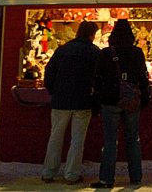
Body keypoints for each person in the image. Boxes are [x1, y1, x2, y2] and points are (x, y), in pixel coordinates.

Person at [91, 20, 149, 189]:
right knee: (133, 138)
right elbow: (143, 77)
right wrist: (144, 96)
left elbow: (98, 78)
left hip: (110, 100)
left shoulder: (105, 53)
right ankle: (136, 176)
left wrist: (97, 98)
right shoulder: (137, 53)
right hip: (131, 100)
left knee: (110, 140)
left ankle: (106, 179)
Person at [41, 21, 100, 185]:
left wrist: (54, 90)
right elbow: (99, 78)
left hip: (61, 100)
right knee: (77, 140)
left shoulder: (63, 50)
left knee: (55, 137)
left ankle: (48, 172)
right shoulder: (94, 52)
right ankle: (71, 174)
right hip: (83, 100)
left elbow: (49, 72)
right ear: (91, 35)